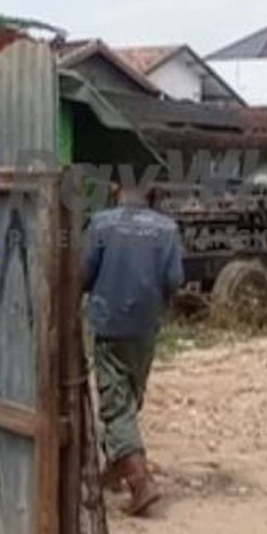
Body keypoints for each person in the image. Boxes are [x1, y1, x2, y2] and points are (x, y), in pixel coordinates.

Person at [81, 181, 184, 516]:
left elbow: (82, 274)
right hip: (145, 329)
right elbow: (174, 279)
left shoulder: (102, 224)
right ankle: (114, 469)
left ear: (117, 189)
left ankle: (141, 482)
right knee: (130, 395)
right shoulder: (167, 229)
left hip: (110, 325)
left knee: (115, 405)